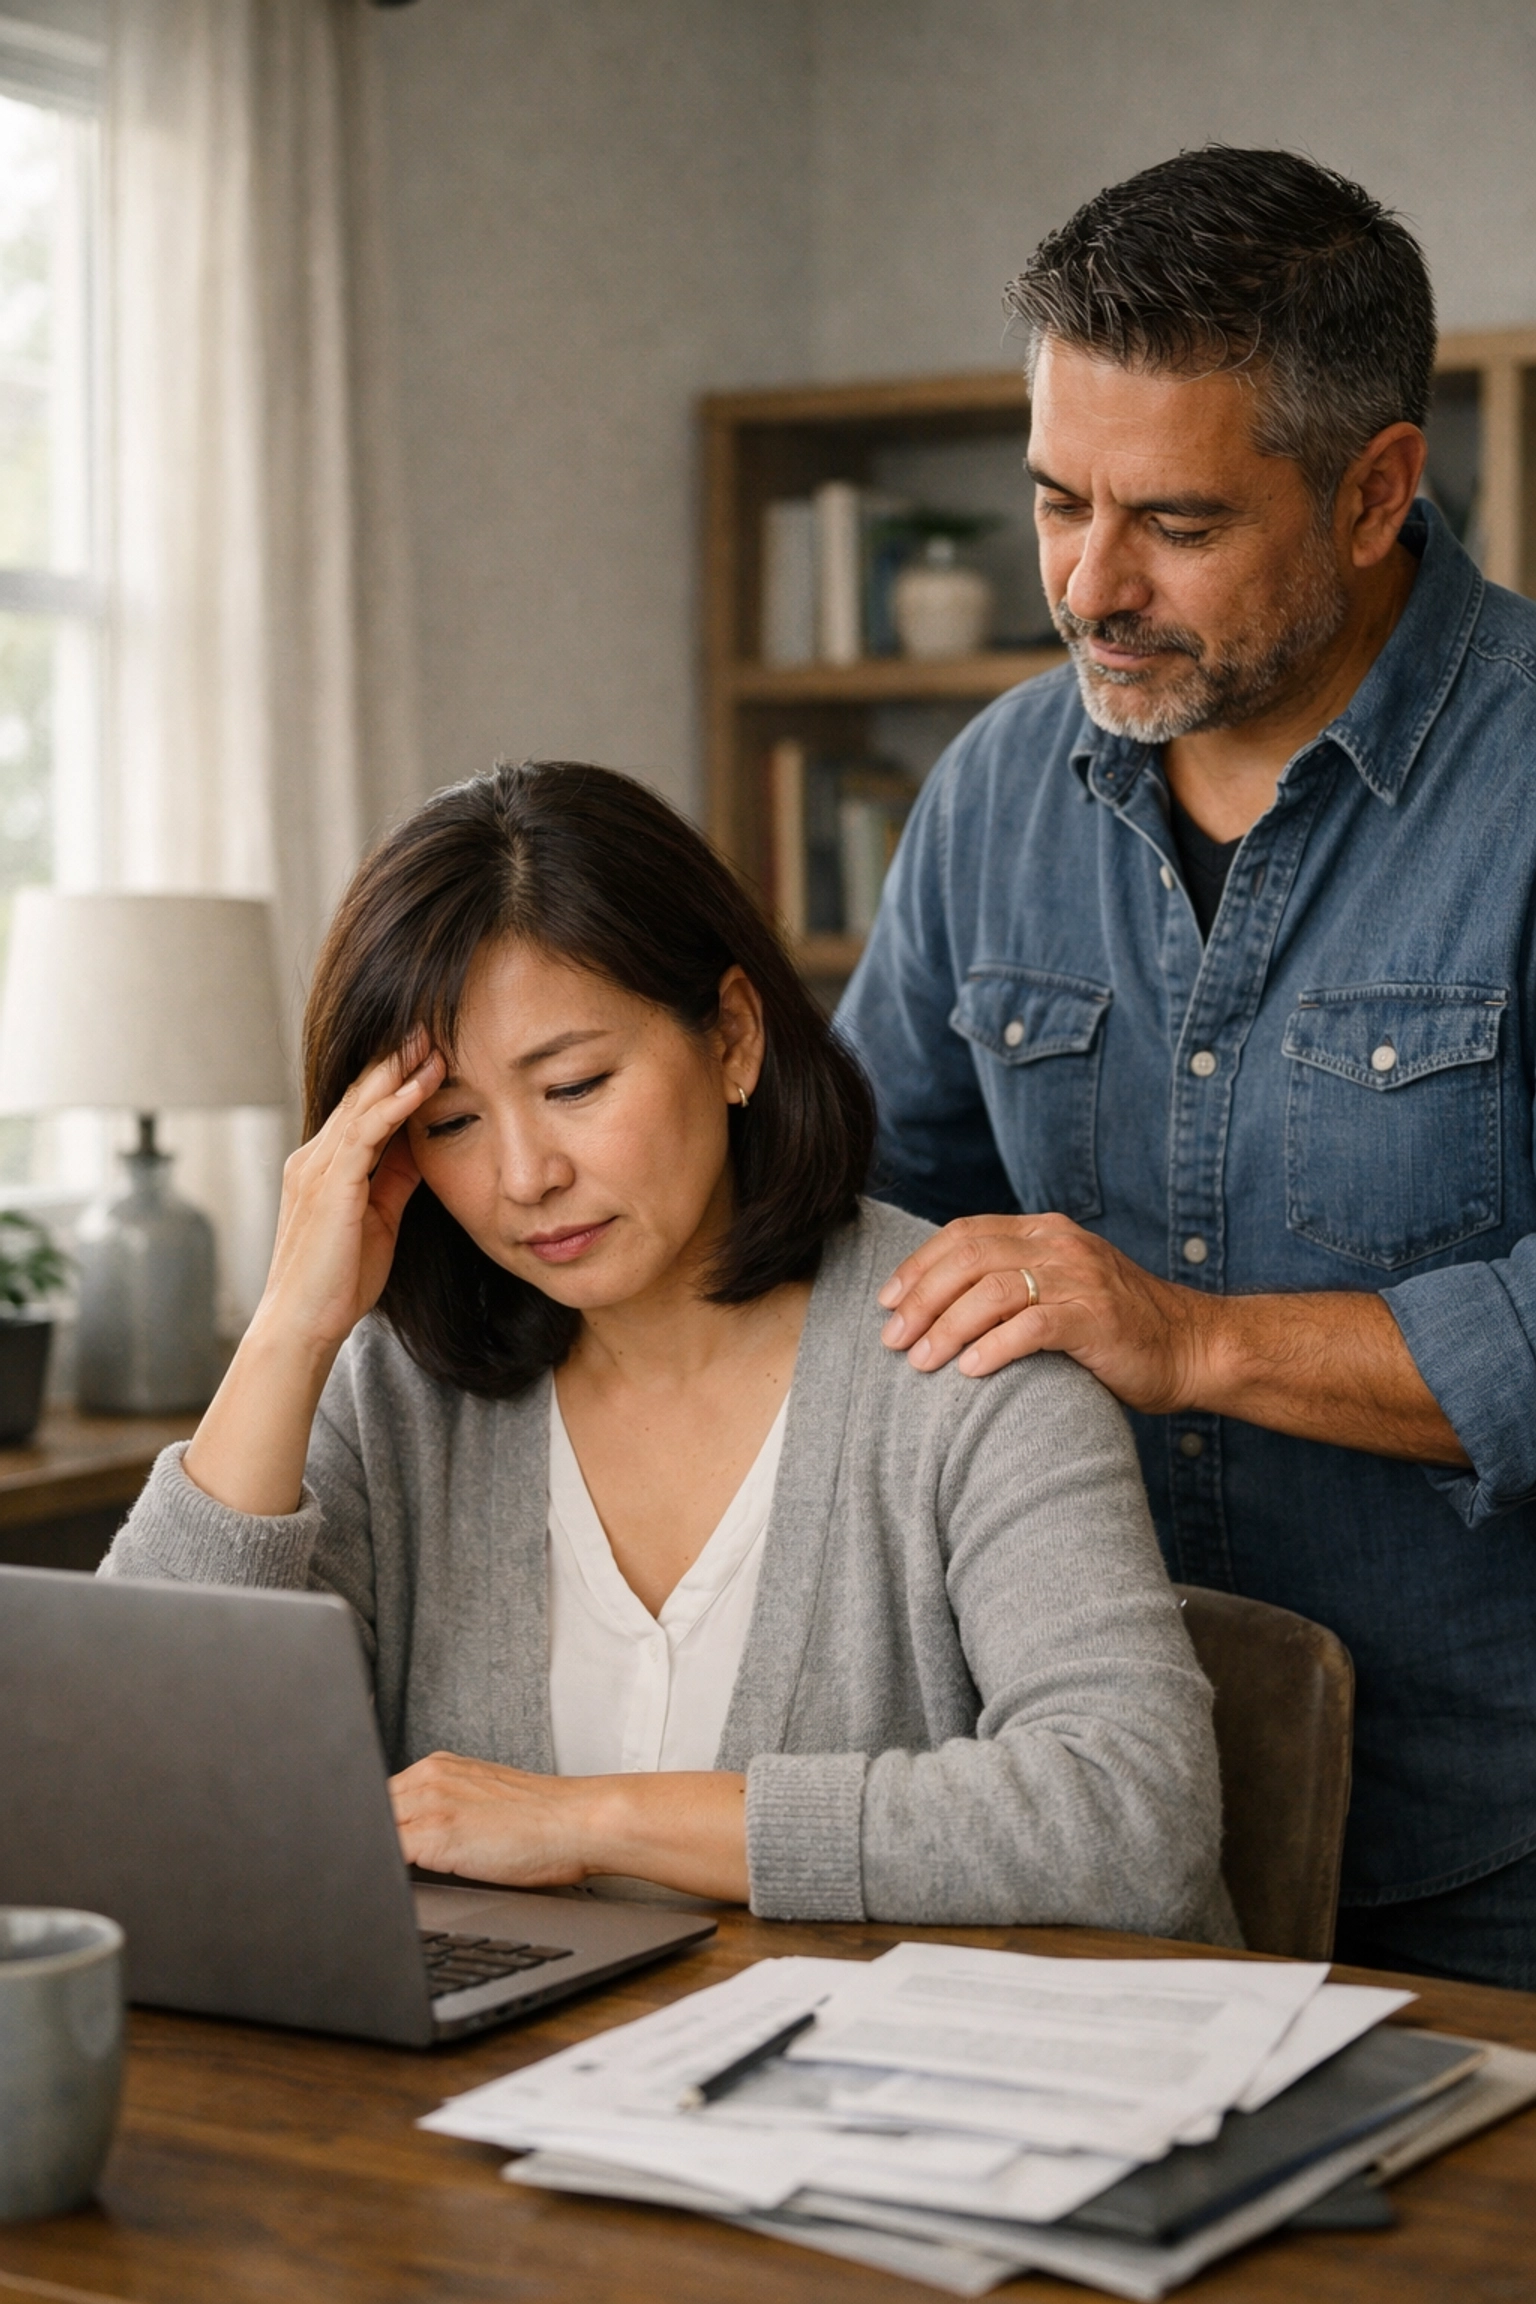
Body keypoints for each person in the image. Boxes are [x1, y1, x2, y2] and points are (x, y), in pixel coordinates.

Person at [102, 761, 1231, 1938]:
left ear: (733, 1038)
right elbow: (127, 1764)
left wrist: (588, 1822)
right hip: (502, 2091)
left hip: (890, 2097)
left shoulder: (966, 1352)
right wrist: (291, 1324)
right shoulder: (395, 1392)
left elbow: (1133, 1817)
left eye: (576, 1084)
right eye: (451, 1123)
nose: (526, 1175)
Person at [838, 145, 1536, 1988]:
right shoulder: (992, 785)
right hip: (1075, 1805)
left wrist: (1202, 1338)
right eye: (1056, 500)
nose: (1089, 584)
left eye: (1180, 523)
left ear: (1378, 485)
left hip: (1495, 1835)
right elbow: (863, 1209)